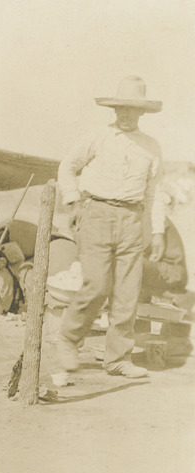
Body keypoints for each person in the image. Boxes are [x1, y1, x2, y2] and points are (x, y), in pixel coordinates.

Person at [56, 76, 168, 379]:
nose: (126, 114)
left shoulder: (151, 147)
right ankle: (68, 338)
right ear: (114, 108)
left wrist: (156, 232)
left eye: (132, 109)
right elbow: (67, 168)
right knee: (97, 285)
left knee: (128, 293)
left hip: (132, 220)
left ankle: (117, 358)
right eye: (121, 108)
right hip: (97, 213)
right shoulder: (97, 138)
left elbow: (155, 192)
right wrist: (73, 201)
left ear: (142, 112)